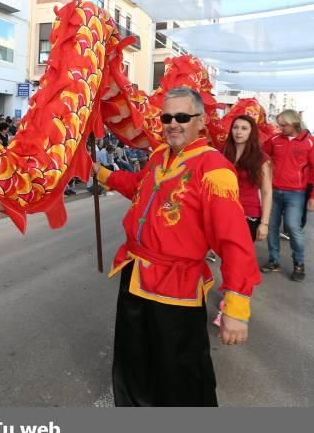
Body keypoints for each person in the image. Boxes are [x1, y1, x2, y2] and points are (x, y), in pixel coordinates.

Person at [92, 87, 261, 406]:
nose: (173, 123)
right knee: (134, 361)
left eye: (182, 117)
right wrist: (103, 174)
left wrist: (236, 307)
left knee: (179, 372)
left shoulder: (214, 170)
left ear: (201, 121)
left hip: (177, 288)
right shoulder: (158, 156)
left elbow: (234, 241)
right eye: (167, 117)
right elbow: (139, 187)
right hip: (136, 277)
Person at [262, 109, 314, 282]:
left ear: (295, 123)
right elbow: (261, 156)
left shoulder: (312, 143)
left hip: (296, 193)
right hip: (274, 191)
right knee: (272, 227)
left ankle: (299, 263)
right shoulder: (274, 141)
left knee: (293, 227)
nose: (281, 128)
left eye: (284, 125)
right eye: (279, 125)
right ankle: (274, 261)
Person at [223, 115, 273, 242]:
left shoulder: (261, 158)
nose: (238, 132)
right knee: (225, 256)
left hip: (248, 213)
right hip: (223, 211)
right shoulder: (222, 152)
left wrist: (264, 223)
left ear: (252, 132)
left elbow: (266, 192)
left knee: (239, 258)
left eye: (244, 128)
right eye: (235, 127)